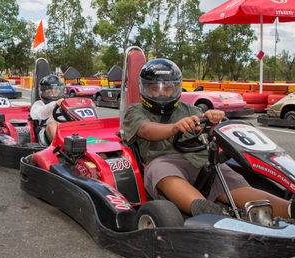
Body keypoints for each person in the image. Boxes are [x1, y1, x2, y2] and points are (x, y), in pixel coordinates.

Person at [123, 58, 295, 219]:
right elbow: (145, 130)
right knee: (160, 172)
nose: (163, 95)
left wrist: (214, 120)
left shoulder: (189, 109)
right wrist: (175, 127)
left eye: (167, 89)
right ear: (144, 89)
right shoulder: (135, 111)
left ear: (176, 88)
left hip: (200, 159)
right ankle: (207, 213)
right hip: (163, 160)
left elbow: (207, 131)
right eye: (156, 89)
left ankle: (288, 209)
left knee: (228, 178)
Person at [30, 75, 65, 145]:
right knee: (52, 123)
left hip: (64, 130)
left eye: (56, 92)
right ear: (44, 92)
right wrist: (54, 104)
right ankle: (64, 149)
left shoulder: (64, 103)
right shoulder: (39, 103)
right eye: (50, 92)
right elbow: (37, 114)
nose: (54, 94)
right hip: (46, 132)